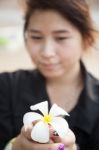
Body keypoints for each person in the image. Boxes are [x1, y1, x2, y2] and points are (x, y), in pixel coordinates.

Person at [0, 0, 99, 149]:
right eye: (36, 37)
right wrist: (14, 147)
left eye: (61, 38)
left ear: (86, 40)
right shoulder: (6, 86)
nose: (46, 52)